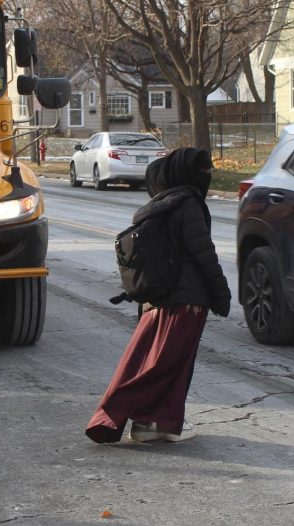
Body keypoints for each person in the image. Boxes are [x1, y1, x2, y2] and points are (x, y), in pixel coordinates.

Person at [86, 147, 231, 444]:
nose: (208, 175)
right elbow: (204, 254)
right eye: (203, 170)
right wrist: (222, 294)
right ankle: (116, 414)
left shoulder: (160, 205)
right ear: (185, 173)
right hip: (187, 301)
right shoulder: (188, 203)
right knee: (165, 368)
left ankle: (153, 424)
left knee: (155, 363)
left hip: (159, 300)